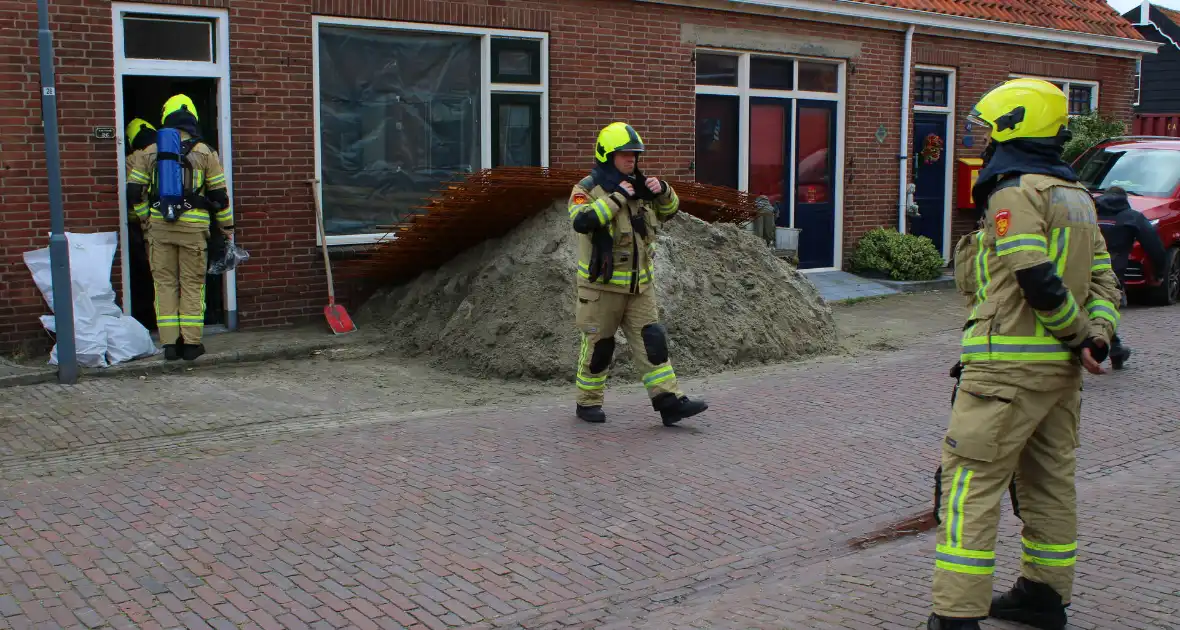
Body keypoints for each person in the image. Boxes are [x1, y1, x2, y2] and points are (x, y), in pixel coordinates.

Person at [930, 78, 1123, 630]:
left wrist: (1077, 335)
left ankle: (956, 615)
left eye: (989, 128)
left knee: (970, 485)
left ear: (1015, 127)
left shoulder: (1015, 192)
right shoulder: (1077, 197)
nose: (984, 140)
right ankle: (1043, 595)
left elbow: (1036, 278)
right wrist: (1097, 338)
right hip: (1058, 380)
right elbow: (1108, 284)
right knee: (1049, 484)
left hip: (1005, 374)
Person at [567, 122, 708, 426]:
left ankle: (668, 401)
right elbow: (582, 220)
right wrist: (617, 197)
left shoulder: (640, 186)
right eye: (625, 154)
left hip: (640, 287)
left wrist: (664, 191)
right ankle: (587, 402)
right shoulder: (587, 189)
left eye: (635, 155)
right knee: (599, 348)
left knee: (653, 344)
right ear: (607, 155)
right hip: (601, 290)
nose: (632, 160)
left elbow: (669, 212)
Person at [126, 94, 234, 361]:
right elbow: (220, 198)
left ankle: (170, 345)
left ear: (165, 117)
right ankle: (192, 344)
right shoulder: (206, 153)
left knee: (164, 284)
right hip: (193, 231)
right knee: (192, 284)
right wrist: (227, 228)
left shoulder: (148, 153)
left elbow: (133, 192)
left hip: (159, 229)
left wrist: (145, 219)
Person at [1094, 185, 1167, 369]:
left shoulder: (1090, 212)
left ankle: (1115, 348)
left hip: (1083, 267)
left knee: (1089, 307)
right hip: (1112, 273)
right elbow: (1155, 247)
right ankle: (1111, 349)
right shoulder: (1131, 217)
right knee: (1106, 307)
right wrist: (1159, 273)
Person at [125, 118, 160, 330]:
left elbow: (134, 193)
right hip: (170, 223)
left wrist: (144, 217)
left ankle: (148, 320)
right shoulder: (170, 154)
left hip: (141, 226)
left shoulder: (133, 159)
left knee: (144, 275)